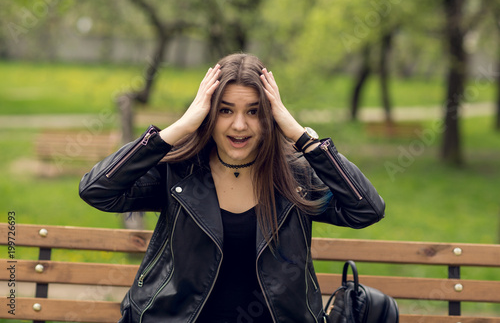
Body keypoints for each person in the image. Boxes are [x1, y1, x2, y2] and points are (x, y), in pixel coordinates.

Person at [79, 53, 385, 323]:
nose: (239, 125)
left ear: (270, 117)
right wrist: (180, 128)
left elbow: (367, 210)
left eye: (253, 111)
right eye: (225, 111)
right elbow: (97, 190)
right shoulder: (179, 172)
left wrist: (303, 139)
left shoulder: (296, 176)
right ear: (208, 114)